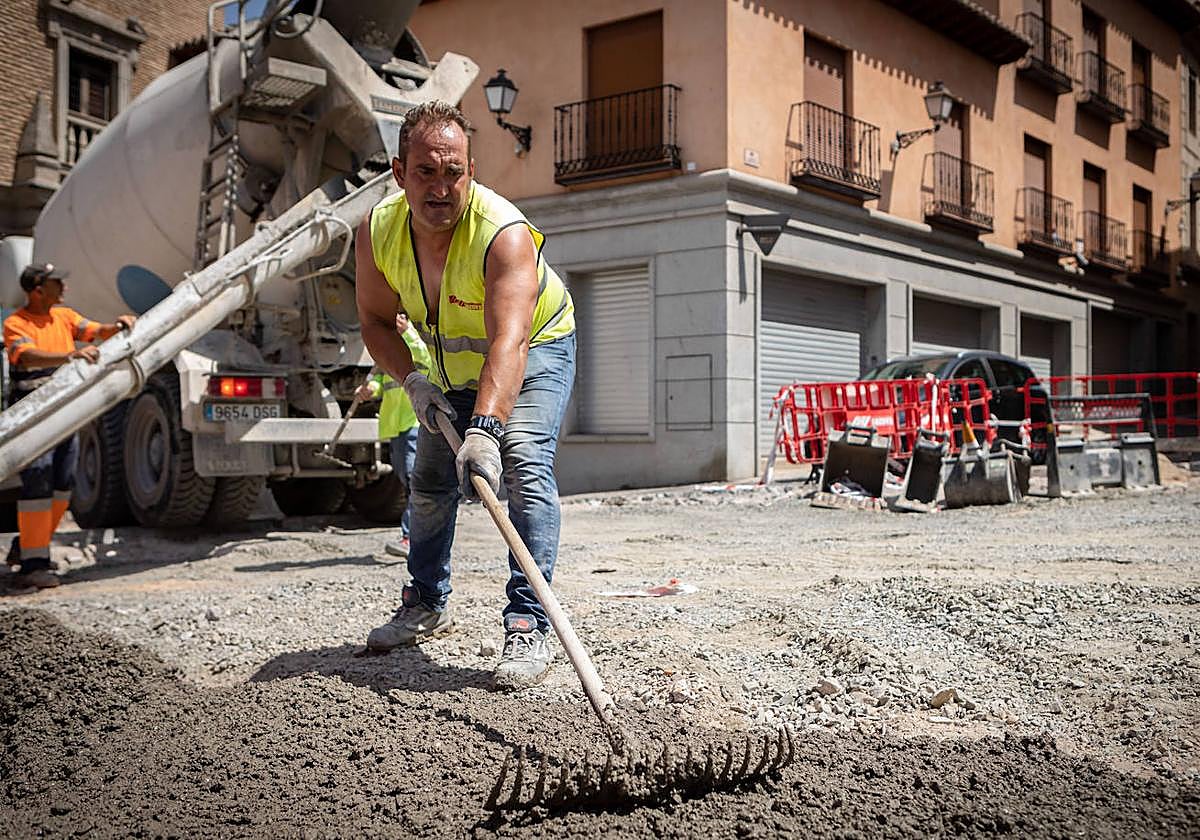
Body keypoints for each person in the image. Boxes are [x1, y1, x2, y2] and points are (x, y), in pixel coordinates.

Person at [354, 101, 575, 690]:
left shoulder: (503, 234)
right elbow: (375, 322)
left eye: (454, 172)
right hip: (450, 365)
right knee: (429, 479)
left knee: (522, 463)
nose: (440, 187)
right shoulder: (378, 232)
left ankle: (528, 623)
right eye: (425, 172)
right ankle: (426, 602)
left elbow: (510, 339)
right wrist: (413, 380)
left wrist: (487, 429)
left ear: (471, 171)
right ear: (399, 173)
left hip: (535, 347)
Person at [3, 262, 136, 589]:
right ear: (37, 290)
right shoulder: (15, 323)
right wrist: (69, 357)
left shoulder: (64, 317)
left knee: (63, 487)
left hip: (65, 414)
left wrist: (119, 326)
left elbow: (96, 331)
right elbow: (27, 356)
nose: (64, 287)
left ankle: (27, 546)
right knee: (38, 485)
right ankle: (33, 566)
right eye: (57, 282)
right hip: (34, 419)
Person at [354, 311, 432, 557]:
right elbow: (381, 378)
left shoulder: (418, 340)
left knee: (414, 481)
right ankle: (419, 538)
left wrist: (407, 332)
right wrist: (370, 389)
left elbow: (425, 357)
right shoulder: (388, 347)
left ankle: (412, 538)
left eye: (402, 316)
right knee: (405, 479)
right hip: (394, 426)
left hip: (414, 422)